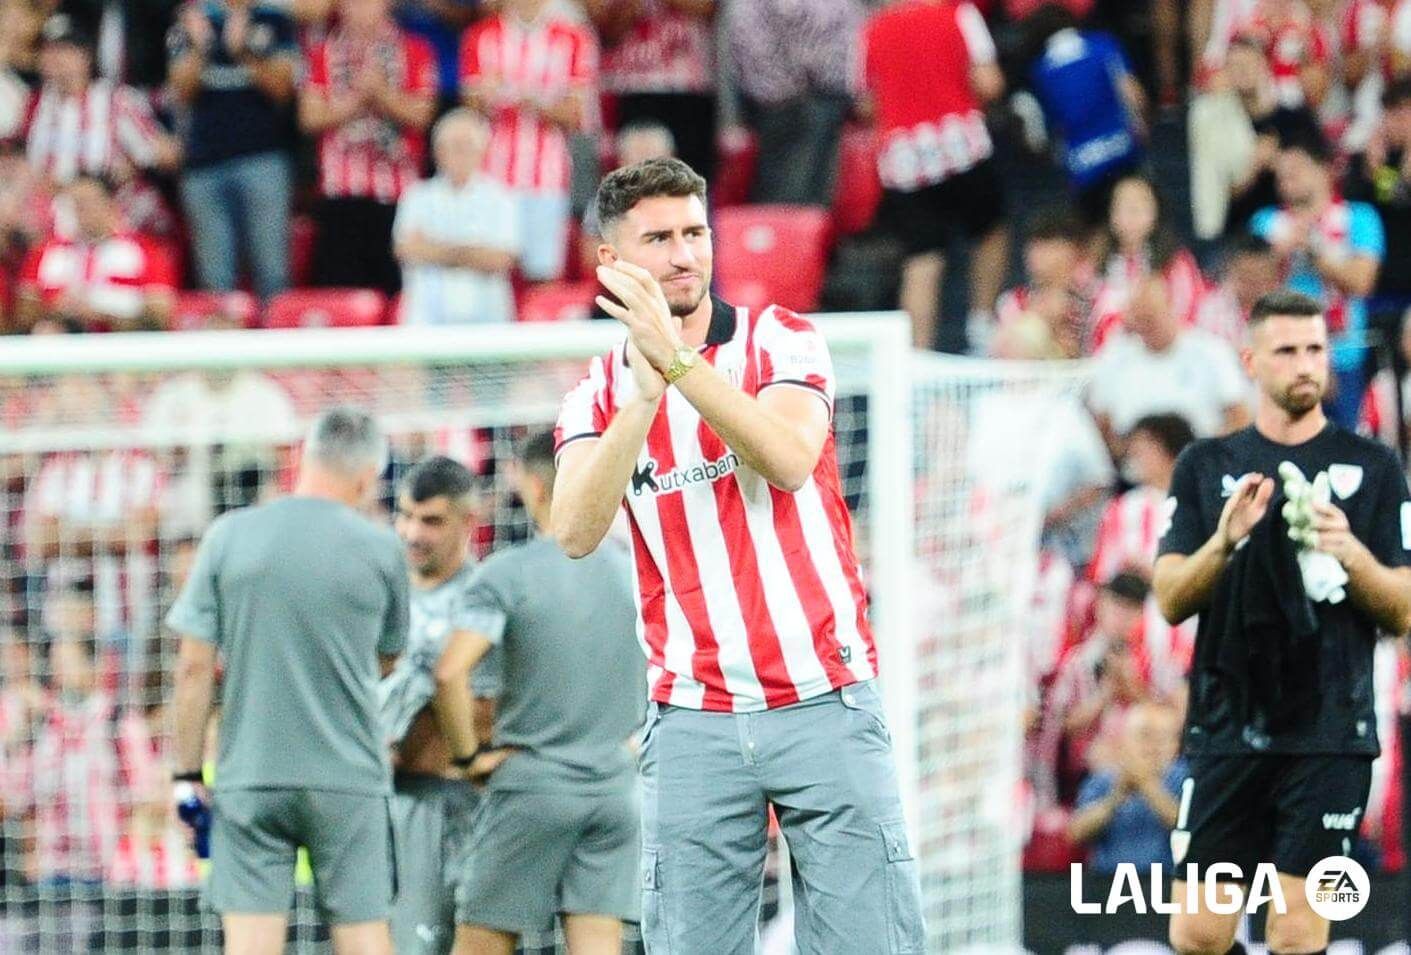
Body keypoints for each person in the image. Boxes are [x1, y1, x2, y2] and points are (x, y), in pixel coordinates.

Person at [552, 157, 924, 952]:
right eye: (659, 238)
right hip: (692, 718)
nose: (685, 254)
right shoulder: (593, 392)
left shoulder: (779, 338)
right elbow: (573, 530)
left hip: (823, 695)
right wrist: (642, 398)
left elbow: (787, 457)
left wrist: (678, 366)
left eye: (695, 232)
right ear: (611, 264)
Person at [1153, 289, 1411, 955]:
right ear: (1250, 360)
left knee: (1296, 929)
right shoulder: (1205, 466)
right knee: (1197, 931)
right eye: (1286, 350)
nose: (1305, 364)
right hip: (1227, 721)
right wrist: (1223, 540)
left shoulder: (1376, 467)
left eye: (1315, 350)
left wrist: (1346, 547)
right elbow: (1170, 596)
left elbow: (1403, 606)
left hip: (1330, 726)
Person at [166, 407, 409, 955]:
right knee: (366, 937)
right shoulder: (382, 549)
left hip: (252, 775)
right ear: (368, 476)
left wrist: (186, 774)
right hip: (350, 776)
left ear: (303, 457)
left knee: (251, 944)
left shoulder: (229, 536)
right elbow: (388, 660)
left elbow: (193, 669)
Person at [449, 431, 644, 955]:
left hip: (533, 786)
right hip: (615, 790)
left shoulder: (507, 574)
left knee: (480, 942)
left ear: (533, 485)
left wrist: (468, 756)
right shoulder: (633, 574)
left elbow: (449, 674)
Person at [380, 455, 500, 955]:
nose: (412, 532)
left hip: (451, 804)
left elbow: (487, 712)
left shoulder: (484, 597)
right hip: (379, 805)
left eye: (430, 520)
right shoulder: (381, 591)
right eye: (405, 515)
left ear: (468, 522)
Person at [858, 0, 1008, 353]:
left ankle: (918, 358)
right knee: (989, 231)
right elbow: (989, 82)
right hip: (960, 146)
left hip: (905, 159)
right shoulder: (958, 13)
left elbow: (866, 103)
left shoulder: (871, 30)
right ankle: (982, 327)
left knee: (922, 258)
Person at [299, 0, 437, 294]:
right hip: (342, 194)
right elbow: (309, 118)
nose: (359, 8)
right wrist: (358, 99)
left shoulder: (415, 50)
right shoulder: (322, 53)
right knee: (340, 293)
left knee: (397, 294)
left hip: (399, 195)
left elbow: (422, 115)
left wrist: (382, 95)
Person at [166, 0, 299, 300]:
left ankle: (278, 343)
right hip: (204, 162)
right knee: (215, 277)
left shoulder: (273, 18)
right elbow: (181, 92)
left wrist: (243, 50)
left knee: (272, 270)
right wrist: (202, 48)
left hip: (262, 157)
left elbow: (283, 91)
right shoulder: (194, 17)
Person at [1251, 134, 1385, 428]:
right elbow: (1249, 287)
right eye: (1281, 173)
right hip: (1281, 358)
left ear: (1325, 169)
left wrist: (1315, 253)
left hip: (1344, 355)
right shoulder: (1265, 223)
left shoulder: (1359, 217)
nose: (1286, 178)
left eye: (1296, 169)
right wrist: (1279, 254)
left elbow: (1362, 281)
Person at [460, 0, 598, 283]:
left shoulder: (572, 37)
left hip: (546, 177)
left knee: (542, 274)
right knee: (490, 271)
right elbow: (469, 104)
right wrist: (485, 97)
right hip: (490, 177)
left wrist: (530, 99)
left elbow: (575, 114)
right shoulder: (480, 36)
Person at [1087, 274, 1250, 446]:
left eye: (1151, 318)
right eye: (1139, 319)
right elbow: (1102, 425)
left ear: (1170, 307)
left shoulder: (1211, 352)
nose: (1145, 327)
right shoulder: (1115, 358)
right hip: (1136, 463)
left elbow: (1240, 416)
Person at [726, 0, 861, 205]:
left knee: (817, 189)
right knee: (787, 192)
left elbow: (849, 38)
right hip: (778, 103)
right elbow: (744, 36)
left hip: (823, 98)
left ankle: (808, 233)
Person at [393, 108, 520, 326]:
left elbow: (501, 259)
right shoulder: (416, 196)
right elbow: (406, 250)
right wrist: (473, 252)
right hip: (425, 325)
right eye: (452, 147)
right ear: (437, 151)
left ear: (482, 151)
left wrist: (434, 249)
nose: (459, 154)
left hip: (488, 327)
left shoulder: (501, 198)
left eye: (466, 147)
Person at [1025, 4, 1148, 225]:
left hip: (1082, 165)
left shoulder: (1040, 70)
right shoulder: (1102, 44)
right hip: (1123, 149)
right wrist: (1142, 125)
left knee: (1095, 229)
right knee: (1136, 220)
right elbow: (1133, 94)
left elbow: (1046, 129)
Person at [14, 175, 177, 332]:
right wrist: (57, 309)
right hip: (62, 341)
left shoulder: (143, 250)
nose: (79, 211)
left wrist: (103, 312)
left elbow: (160, 315)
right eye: (71, 204)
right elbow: (22, 317)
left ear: (110, 206)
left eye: (86, 203)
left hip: (121, 343)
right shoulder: (45, 253)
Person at [1068, 701, 1185, 874]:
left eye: (1163, 738)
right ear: (1125, 740)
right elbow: (1075, 834)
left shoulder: (1183, 777)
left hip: (1165, 882)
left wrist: (1146, 785)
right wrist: (1115, 798)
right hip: (1107, 882)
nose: (1153, 746)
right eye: (1145, 735)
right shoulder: (1104, 778)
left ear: (1176, 744)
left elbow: (1187, 826)